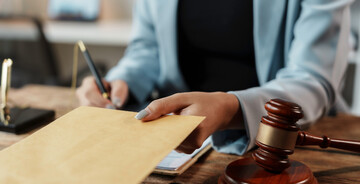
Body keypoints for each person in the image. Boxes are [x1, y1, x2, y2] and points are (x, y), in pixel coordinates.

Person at [77, 0, 353, 154]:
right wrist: (123, 81)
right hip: (174, 136)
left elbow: (312, 78)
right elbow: (148, 47)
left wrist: (231, 109)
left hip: (290, 143)